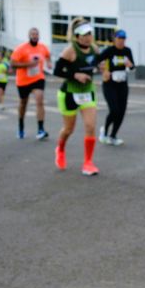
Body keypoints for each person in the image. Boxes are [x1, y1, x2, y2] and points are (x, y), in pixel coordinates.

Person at [52, 18, 99, 175]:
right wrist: (75, 75)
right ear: (77, 36)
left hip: (87, 92)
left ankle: (88, 163)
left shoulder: (94, 49)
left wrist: (104, 69)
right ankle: (60, 149)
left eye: (89, 34)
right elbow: (57, 71)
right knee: (68, 129)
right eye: (84, 35)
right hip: (69, 93)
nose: (88, 37)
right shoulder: (70, 51)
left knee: (90, 126)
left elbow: (100, 63)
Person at [11, 27, 52, 140]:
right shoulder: (21, 49)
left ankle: (40, 130)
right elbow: (13, 64)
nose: (35, 36)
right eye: (33, 34)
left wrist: (49, 63)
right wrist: (29, 64)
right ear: (29, 36)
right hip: (23, 81)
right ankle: (21, 127)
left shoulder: (43, 47)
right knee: (23, 104)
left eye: (36, 34)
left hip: (38, 79)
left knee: (40, 100)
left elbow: (48, 55)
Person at [97, 29, 134, 146]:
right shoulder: (109, 51)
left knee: (121, 111)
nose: (121, 41)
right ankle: (104, 133)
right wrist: (103, 70)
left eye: (123, 39)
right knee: (114, 110)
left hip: (122, 84)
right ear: (114, 39)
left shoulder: (127, 51)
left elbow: (132, 66)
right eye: (119, 38)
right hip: (110, 84)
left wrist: (130, 65)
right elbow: (97, 61)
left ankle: (113, 135)